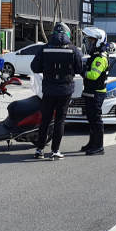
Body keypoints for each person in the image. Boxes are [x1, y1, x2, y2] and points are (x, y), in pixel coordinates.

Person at [30, 23, 83, 160]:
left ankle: (39, 149)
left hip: (48, 89)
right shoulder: (73, 49)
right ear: (68, 34)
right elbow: (79, 69)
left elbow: (35, 67)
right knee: (60, 119)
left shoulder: (45, 48)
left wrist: (47, 69)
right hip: (65, 90)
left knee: (45, 119)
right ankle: (55, 151)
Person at [80, 27, 111, 155]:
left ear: (98, 42)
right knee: (91, 118)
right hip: (90, 91)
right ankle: (92, 143)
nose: (89, 44)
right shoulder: (94, 56)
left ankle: (99, 146)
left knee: (96, 119)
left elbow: (93, 75)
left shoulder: (100, 58)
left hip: (97, 92)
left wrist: (81, 71)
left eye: (91, 41)